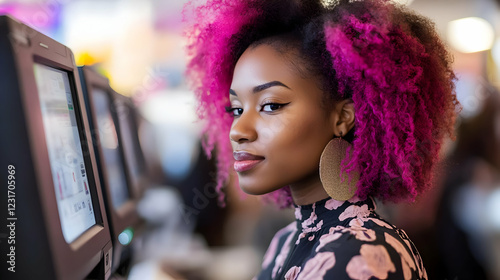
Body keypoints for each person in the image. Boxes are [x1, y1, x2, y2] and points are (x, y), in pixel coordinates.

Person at [184, 0, 460, 278]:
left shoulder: (361, 254)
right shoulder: (286, 241)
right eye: (237, 109)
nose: (238, 130)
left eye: (270, 105)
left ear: (342, 118)